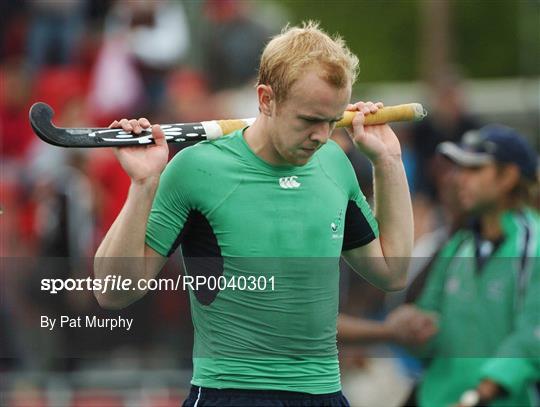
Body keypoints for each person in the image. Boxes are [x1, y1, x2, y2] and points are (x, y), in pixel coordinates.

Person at [94, 22, 413, 406]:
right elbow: (113, 291)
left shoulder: (334, 163)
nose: (322, 136)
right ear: (266, 99)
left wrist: (389, 162)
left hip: (324, 393)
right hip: (230, 392)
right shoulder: (196, 170)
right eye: (309, 120)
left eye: (331, 121)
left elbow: (391, 272)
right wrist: (143, 185)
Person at [392, 125, 540, 407]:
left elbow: (531, 337)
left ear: (508, 176)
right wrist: (413, 326)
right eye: (459, 168)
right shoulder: (458, 245)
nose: (459, 179)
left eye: (474, 169)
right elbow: (429, 324)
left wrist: (477, 396)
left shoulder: (534, 246)